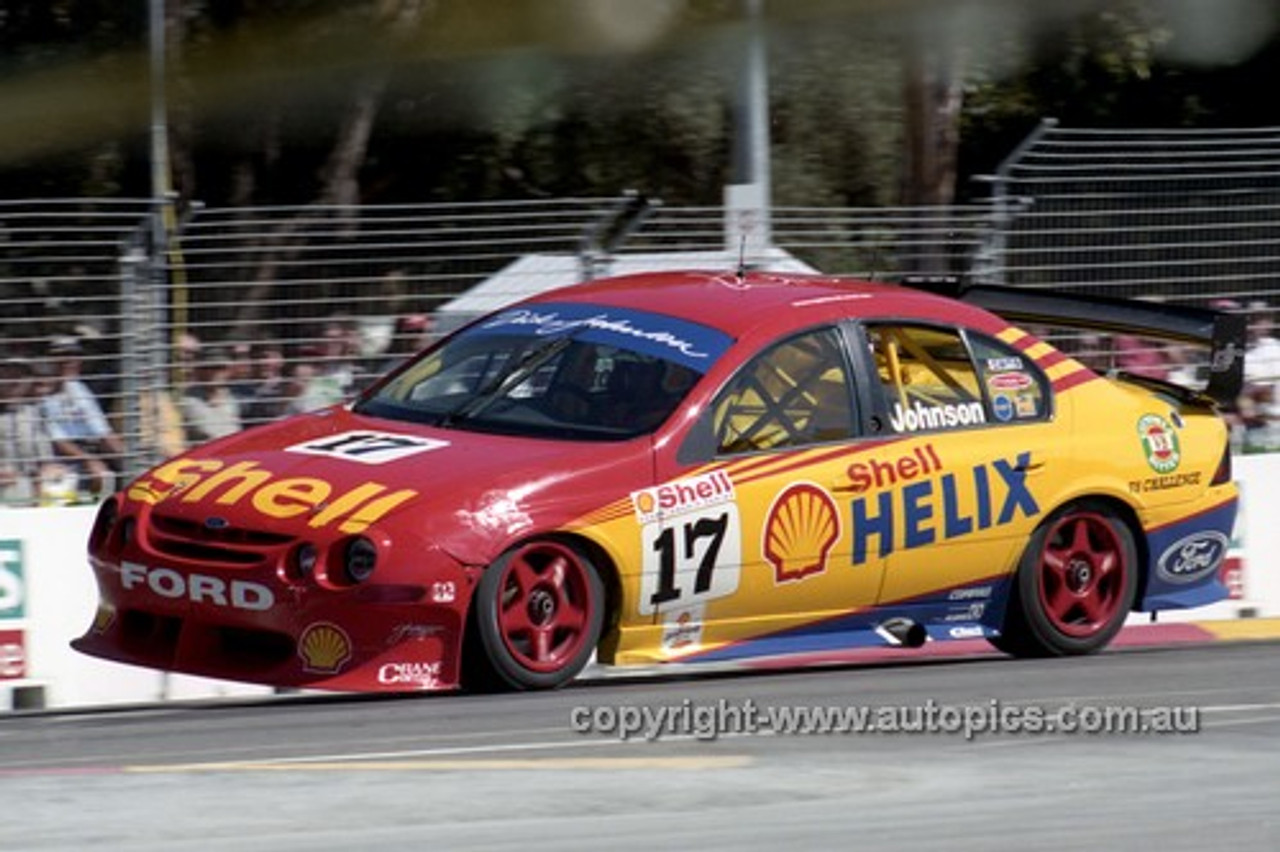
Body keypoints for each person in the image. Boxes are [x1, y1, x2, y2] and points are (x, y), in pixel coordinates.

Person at [40, 335, 123, 496]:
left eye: (74, 356)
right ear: (50, 360)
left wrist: (129, 458)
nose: (69, 361)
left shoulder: (79, 388)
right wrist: (88, 459)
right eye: (62, 356)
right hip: (56, 459)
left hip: (86, 452)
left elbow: (102, 432)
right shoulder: (43, 393)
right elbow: (57, 441)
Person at [0, 357, 64, 505]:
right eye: (8, 375)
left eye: (21, 377)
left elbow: (44, 454)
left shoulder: (33, 413)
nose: (15, 382)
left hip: (32, 484)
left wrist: (47, 467)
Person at [178, 347, 243, 444]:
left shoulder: (236, 399)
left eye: (219, 367)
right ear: (198, 370)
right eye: (208, 367)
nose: (213, 372)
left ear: (228, 371)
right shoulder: (187, 402)